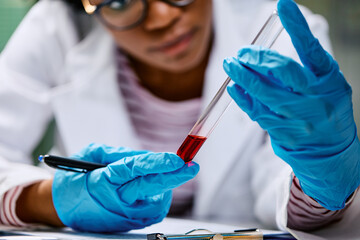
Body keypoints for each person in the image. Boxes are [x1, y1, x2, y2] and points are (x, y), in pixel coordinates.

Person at [0, 0, 359, 236]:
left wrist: (322, 180)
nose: (162, 18)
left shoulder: (276, 27)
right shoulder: (54, 28)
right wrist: (50, 199)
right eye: (121, 1)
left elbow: (283, 193)